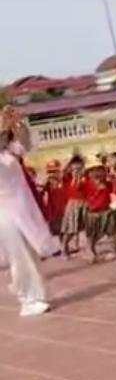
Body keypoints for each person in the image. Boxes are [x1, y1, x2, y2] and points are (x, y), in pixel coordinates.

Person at [0, 106, 57, 317]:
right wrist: (3, 125)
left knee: (30, 251)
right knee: (19, 254)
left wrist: (18, 123)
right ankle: (29, 299)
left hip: (22, 206)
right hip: (4, 212)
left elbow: (25, 144)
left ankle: (34, 293)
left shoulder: (10, 151)